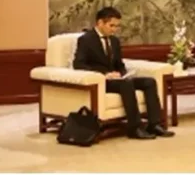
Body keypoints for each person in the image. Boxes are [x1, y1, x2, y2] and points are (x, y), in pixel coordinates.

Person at [73, 7, 173, 140]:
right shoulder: (86, 40)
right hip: (101, 81)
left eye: (117, 26)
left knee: (149, 82)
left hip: (117, 79)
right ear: (100, 23)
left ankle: (154, 124)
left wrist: (122, 73)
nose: (114, 29)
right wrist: (104, 74)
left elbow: (119, 64)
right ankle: (134, 128)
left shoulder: (114, 41)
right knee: (127, 84)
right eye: (111, 26)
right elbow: (78, 64)